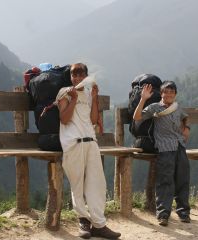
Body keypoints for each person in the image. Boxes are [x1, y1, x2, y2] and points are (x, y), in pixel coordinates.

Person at [57, 63, 121, 239]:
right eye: (74, 75)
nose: (77, 78)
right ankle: (83, 221)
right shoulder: (64, 92)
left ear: (86, 77)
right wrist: (73, 100)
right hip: (73, 143)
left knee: (97, 184)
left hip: (91, 141)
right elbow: (64, 119)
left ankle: (99, 224)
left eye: (80, 75)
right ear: (70, 77)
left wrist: (95, 96)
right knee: (77, 184)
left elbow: (93, 119)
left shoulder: (88, 93)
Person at [133, 80, 191, 226]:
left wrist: (186, 128)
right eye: (166, 91)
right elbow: (137, 117)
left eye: (172, 92)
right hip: (164, 147)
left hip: (180, 146)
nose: (169, 94)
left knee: (182, 179)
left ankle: (183, 212)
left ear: (175, 94)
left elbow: (184, 117)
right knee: (165, 180)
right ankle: (163, 214)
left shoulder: (177, 108)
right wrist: (143, 98)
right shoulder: (155, 107)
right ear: (161, 93)